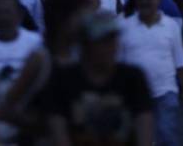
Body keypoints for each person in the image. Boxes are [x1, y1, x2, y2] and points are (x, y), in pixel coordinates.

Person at [46, 11, 154, 146]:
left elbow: (144, 124)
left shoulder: (133, 78)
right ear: (85, 44)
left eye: (113, 38)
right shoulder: (63, 80)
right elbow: (58, 130)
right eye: (103, 40)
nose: (111, 46)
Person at [119, 0, 183, 146]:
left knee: (166, 135)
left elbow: (180, 60)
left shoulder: (170, 26)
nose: (146, 1)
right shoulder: (124, 25)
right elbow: (117, 62)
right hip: (133, 94)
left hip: (165, 91)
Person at [0, 0, 43, 143]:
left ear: (19, 14)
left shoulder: (35, 43)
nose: (4, 16)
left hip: (26, 127)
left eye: (8, 11)